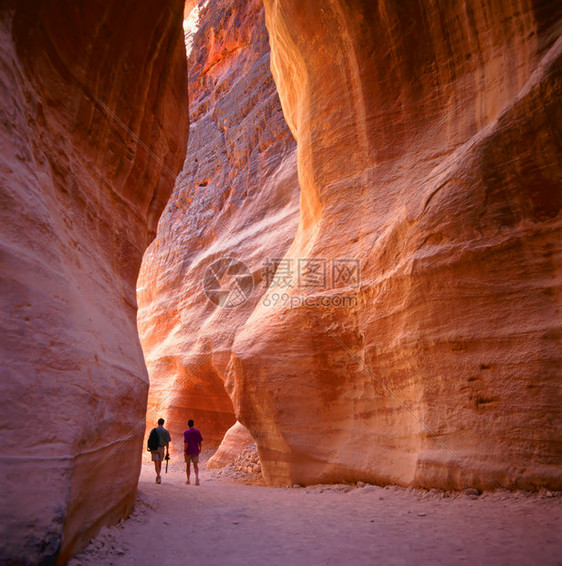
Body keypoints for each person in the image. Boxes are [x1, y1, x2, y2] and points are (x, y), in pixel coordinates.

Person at [151, 418, 171, 484]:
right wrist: (167, 451)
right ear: (163, 423)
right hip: (161, 448)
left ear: (158, 422)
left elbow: (150, 439)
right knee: (159, 462)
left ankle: (158, 475)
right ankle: (158, 475)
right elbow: (168, 442)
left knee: (156, 462)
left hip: (154, 448)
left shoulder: (153, 430)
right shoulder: (166, 431)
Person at [184, 419, 203, 486]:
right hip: (195, 450)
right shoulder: (197, 432)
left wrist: (185, 451)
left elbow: (186, 442)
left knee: (188, 465)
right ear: (193, 424)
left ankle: (188, 480)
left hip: (189, 451)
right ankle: (197, 478)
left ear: (188, 425)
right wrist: (200, 448)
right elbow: (200, 441)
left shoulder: (186, 432)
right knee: (195, 465)